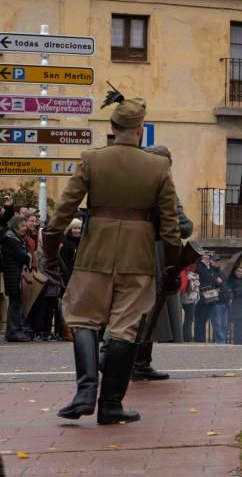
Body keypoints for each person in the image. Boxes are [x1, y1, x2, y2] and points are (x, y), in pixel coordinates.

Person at [44, 95, 181, 425]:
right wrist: (172, 264)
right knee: (124, 329)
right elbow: (170, 225)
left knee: (82, 318)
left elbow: (63, 211)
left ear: (113, 127)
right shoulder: (158, 166)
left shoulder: (92, 159)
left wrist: (50, 251)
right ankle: (110, 405)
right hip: (138, 257)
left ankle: (85, 391)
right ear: (140, 130)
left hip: (95, 252)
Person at [132, 145, 195, 380]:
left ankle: (134, 362)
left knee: (131, 310)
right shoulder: (164, 186)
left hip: (130, 250)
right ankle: (137, 363)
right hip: (157, 253)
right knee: (152, 310)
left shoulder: (132, 185)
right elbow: (183, 225)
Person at [2, 214, 33, 342]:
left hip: (16, 274)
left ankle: (16, 330)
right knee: (14, 304)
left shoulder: (15, 238)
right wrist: (30, 256)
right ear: (15, 227)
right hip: (13, 275)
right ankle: (13, 332)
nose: (25, 228)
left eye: (26, 226)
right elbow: (23, 256)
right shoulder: (10, 239)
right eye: (23, 226)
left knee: (16, 303)